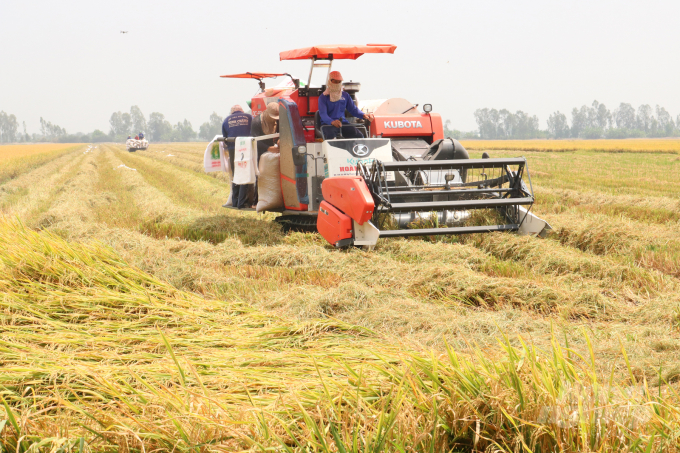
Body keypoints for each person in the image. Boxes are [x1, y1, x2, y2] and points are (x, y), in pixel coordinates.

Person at [318, 71, 374, 139]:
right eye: (335, 81)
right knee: (331, 139)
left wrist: (364, 115)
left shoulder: (345, 95)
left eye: (339, 82)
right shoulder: (323, 97)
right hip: (328, 124)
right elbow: (323, 114)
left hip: (343, 123)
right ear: (330, 81)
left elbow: (353, 109)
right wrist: (332, 122)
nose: (337, 83)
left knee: (359, 136)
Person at [222, 104, 253, 209]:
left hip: (233, 149)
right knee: (245, 173)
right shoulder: (249, 117)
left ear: (232, 112)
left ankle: (235, 202)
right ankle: (242, 202)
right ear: (242, 111)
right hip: (246, 148)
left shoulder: (226, 120)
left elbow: (225, 137)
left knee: (236, 175)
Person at [250, 102, 280, 206]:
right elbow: (255, 140)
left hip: (273, 150)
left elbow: (281, 133)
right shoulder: (257, 122)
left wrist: (279, 141)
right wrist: (268, 148)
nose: (275, 119)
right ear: (267, 113)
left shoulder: (278, 121)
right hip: (260, 151)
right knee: (260, 175)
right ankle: (256, 201)